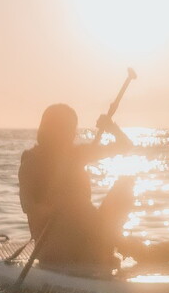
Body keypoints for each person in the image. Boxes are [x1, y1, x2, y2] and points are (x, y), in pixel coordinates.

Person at [18, 103, 139, 269]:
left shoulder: (77, 154)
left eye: (72, 128)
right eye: (66, 128)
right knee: (75, 202)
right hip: (53, 247)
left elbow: (125, 146)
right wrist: (59, 207)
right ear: (50, 129)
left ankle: (107, 248)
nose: (72, 134)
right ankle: (129, 247)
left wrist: (111, 128)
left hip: (86, 239)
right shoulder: (32, 162)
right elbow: (28, 206)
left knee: (124, 185)